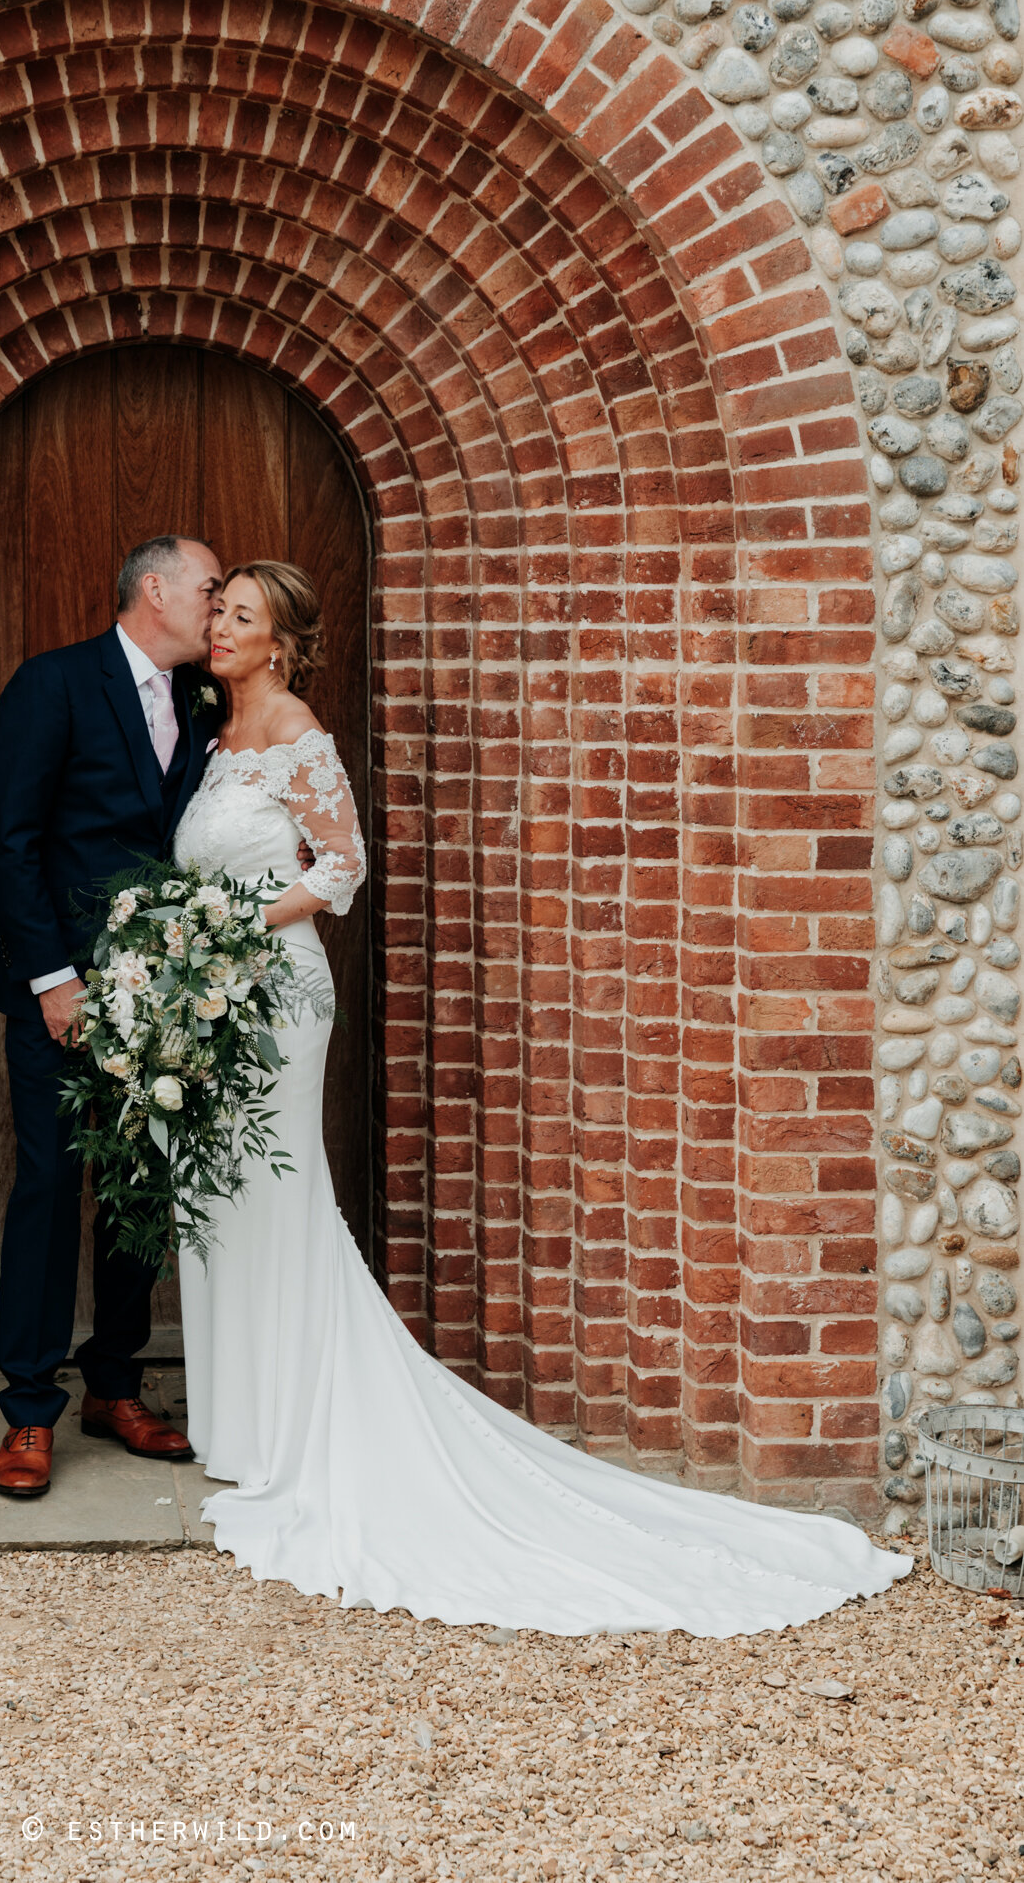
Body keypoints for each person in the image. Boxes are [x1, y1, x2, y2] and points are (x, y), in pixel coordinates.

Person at [172, 560, 914, 1633]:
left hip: (277, 993)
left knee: (278, 1190)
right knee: (231, 1194)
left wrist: (239, 928)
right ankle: (238, 1426)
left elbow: (341, 869)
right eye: (219, 613)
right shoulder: (216, 734)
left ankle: (293, 1430)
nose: (219, 630)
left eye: (239, 617)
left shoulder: (296, 732)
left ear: (279, 642)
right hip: (214, 993)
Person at [0, 533, 224, 1499]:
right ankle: (28, 1409)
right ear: (153, 590)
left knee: (142, 1189)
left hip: (166, 989)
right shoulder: (55, 683)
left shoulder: (207, 700)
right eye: (209, 589)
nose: (217, 604)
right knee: (49, 1184)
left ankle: (114, 1383)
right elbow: (12, 840)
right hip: (65, 991)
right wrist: (51, 979)